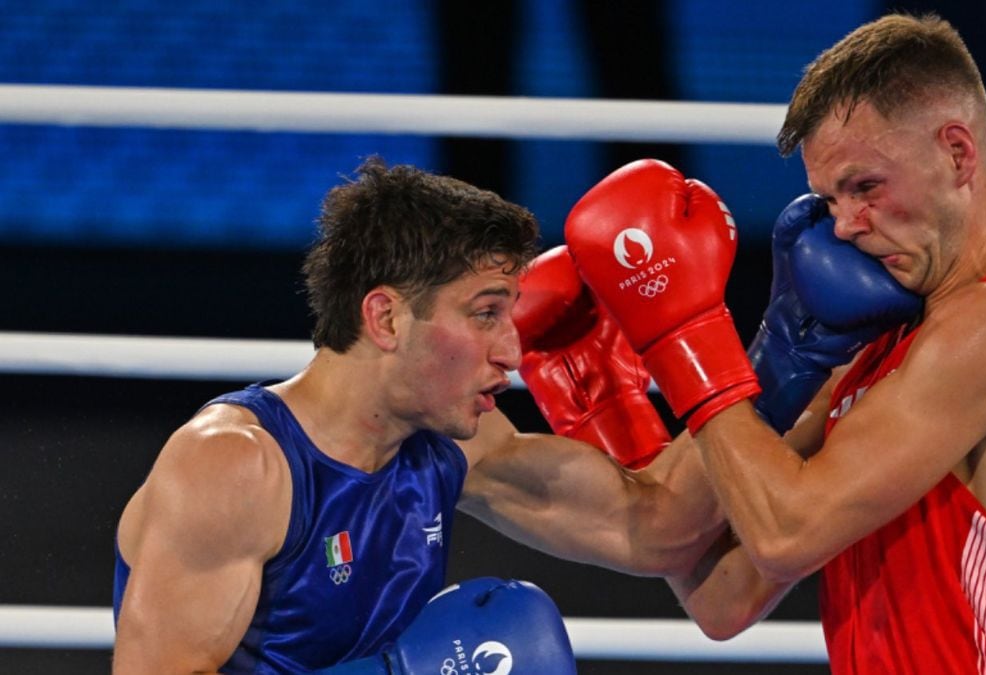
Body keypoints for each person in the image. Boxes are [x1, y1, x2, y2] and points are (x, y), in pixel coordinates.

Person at [566, 13, 986, 674]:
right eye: (828, 198)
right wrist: (610, 403)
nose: (846, 226)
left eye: (866, 187)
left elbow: (786, 533)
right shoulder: (881, 345)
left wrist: (687, 333)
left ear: (959, 154)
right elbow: (722, 596)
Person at [110, 156, 730, 674]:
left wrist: (790, 346)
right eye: (486, 313)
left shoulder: (455, 443)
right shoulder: (237, 466)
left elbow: (657, 528)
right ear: (385, 318)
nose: (513, 352)